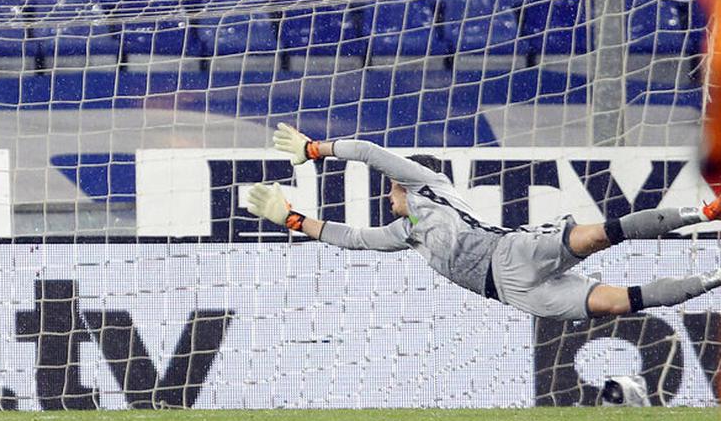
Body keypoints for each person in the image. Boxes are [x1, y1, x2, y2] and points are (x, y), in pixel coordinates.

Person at [246, 123, 721, 321]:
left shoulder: (427, 183)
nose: (386, 195)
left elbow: (368, 153)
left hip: (510, 251)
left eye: (389, 188)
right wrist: (290, 217)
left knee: (601, 235)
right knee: (620, 303)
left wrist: (315, 150)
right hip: (515, 292)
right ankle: (716, 278)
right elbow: (349, 238)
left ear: (403, 185)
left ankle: (705, 213)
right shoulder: (407, 234)